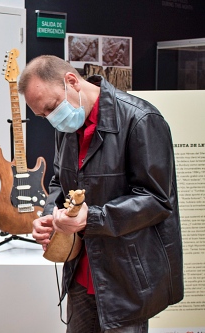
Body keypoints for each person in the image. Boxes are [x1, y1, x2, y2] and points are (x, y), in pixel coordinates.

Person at [18, 55, 183, 332]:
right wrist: (49, 215)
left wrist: (91, 218)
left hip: (125, 279)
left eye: (51, 108)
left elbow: (157, 200)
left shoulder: (141, 119)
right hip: (80, 273)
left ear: (71, 81)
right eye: (43, 116)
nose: (51, 119)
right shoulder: (68, 124)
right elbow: (60, 179)